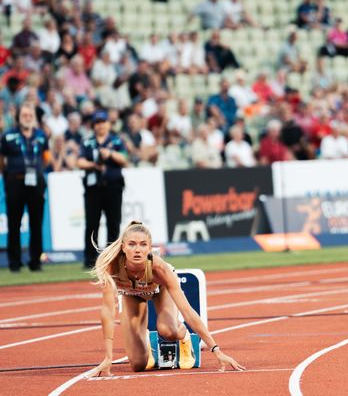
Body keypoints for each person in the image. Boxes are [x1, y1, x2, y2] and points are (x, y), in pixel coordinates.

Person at [87, 221, 245, 376]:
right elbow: (107, 311)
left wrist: (216, 350)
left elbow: (187, 311)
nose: (137, 250)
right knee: (137, 364)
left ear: (150, 248)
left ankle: (185, 338)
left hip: (159, 289)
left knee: (167, 330)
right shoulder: (111, 266)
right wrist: (108, 358)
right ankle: (147, 341)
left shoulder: (159, 269)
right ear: (123, 247)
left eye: (143, 245)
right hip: (131, 295)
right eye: (132, 244)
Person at [0, 103, 50, 272]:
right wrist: (9, 173)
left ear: (34, 118)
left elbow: (46, 158)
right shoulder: (8, 136)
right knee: (14, 223)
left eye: (30, 115)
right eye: (24, 115)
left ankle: (35, 261)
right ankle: (15, 262)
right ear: (18, 117)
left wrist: (37, 170)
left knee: (37, 223)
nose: (28, 118)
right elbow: (1, 160)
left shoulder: (41, 135)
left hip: (36, 183)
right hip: (15, 182)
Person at [77, 110, 128, 269]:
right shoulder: (87, 142)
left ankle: (112, 258)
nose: (100, 125)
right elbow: (79, 162)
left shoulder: (116, 141)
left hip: (113, 187)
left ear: (108, 124)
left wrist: (110, 154)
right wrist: (94, 165)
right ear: (93, 125)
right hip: (94, 188)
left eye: (103, 122)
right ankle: (90, 259)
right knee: (92, 223)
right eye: (97, 123)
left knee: (114, 223)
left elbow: (124, 159)